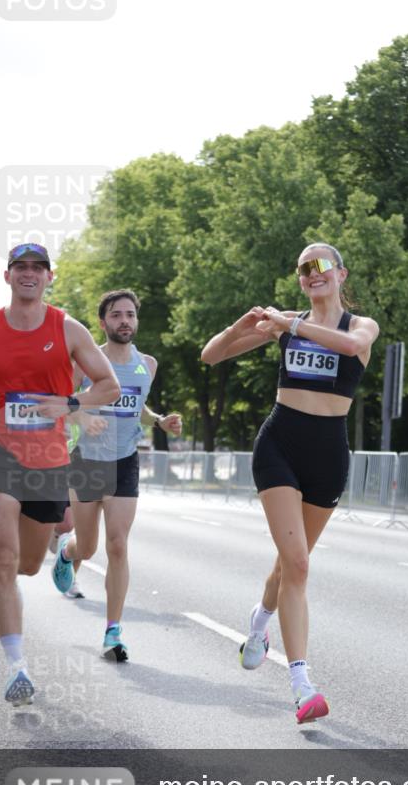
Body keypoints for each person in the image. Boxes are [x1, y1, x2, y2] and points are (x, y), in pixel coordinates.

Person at [201, 243, 379, 724]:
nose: (313, 272)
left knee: (289, 566)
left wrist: (290, 324)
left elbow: (349, 348)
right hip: (280, 444)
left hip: (328, 454)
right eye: (304, 267)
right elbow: (210, 355)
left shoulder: (358, 326)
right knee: (298, 565)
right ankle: (302, 686)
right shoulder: (284, 325)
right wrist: (242, 328)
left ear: (340, 273)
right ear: (300, 280)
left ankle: (258, 623)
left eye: (322, 265)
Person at [0, 243, 120, 706]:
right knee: (7, 557)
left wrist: (71, 403)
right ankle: (17, 667)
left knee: (29, 564)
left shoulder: (67, 329)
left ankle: (6, 563)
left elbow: (109, 385)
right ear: (7, 276)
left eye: (37, 268)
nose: (28, 274)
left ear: (49, 277)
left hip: (47, 458)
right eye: (20, 267)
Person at [51, 289, 182, 662]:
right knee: (88, 547)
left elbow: (135, 405)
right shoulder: (85, 363)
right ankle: (68, 551)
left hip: (125, 460)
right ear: (103, 322)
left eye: (130, 315)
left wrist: (158, 419)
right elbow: (63, 403)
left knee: (119, 545)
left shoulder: (148, 365)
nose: (125, 321)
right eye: (116, 315)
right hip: (88, 461)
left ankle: (113, 630)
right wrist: (81, 416)